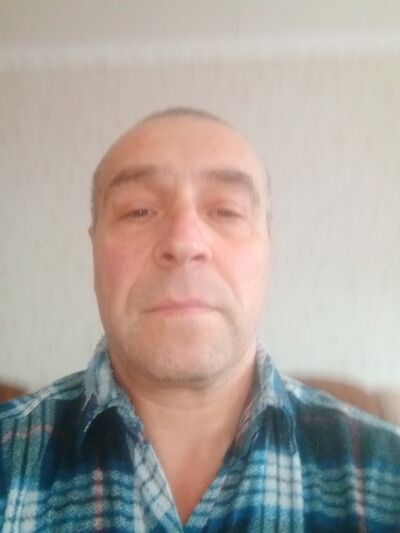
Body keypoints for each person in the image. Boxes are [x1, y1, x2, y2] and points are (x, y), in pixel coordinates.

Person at [1, 108, 399, 532]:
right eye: (138, 210)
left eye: (226, 210)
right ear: (94, 249)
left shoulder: (386, 478)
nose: (184, 241)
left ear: (268, 247)